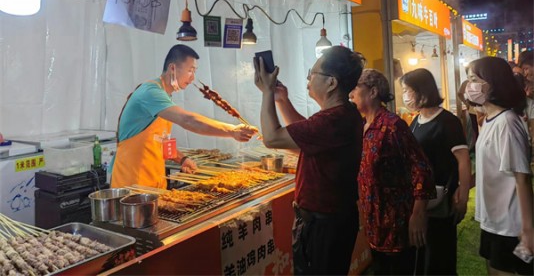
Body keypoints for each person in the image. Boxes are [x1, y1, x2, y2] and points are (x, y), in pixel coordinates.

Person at [253, 46, 364, 275]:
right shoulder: (344, 114)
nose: (308, 79)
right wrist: (281, 100)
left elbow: (272, 138)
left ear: (331, 82)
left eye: (312, 74)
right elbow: (305, 140)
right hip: (331, 221)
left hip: (323, 225)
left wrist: (267, 92)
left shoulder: (332, 120)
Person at [111, 44, 258, 189]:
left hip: (154, 184)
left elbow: (162, 141)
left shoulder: (165, 97)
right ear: (172, 68)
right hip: (132, 185)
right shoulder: (150, 92)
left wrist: (182, 159)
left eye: (194, 71)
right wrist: (232, 131)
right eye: (190, 70)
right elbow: (188, 120)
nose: (192, 78)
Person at [349, 69, 435, 275]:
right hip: (373, 222)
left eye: (355, 88)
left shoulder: (392, 125)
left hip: (396, 222)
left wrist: (418, 213)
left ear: (373, 92)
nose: (350, 94)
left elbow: (421, 168)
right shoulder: (361, 125)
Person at [400, 68, 471, 275]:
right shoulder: (416, 121)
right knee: (422, 253)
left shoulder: (447, 121)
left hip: (440, 198)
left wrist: (463, 193)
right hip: (419, 198)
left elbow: (463, 159)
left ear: (422, 91)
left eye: (407, 90)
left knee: (439, 253)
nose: (405, 95)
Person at [466, 57, 533, 275]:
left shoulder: (507, 123)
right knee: (493, 269)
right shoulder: (489, 120)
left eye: (474, 79)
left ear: (493, 83)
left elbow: (522, 178)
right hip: (493, 220)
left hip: (510, 224)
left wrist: (528, 229)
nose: (469, 86)